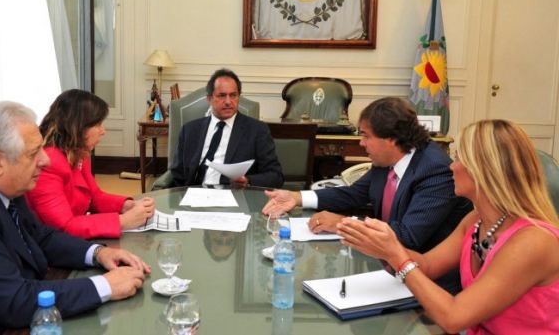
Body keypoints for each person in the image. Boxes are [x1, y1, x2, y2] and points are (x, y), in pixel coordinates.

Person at [0, 101, 150, 334]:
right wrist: (105, 285)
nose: (46, 160)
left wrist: (98, 253)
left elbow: (40, 237)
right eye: (33, 153)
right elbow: (15, 301)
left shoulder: (1, 187)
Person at [337, 119, 559, 334]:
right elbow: (427, 265)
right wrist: (381, 245)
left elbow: (454, 317)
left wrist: (396, 255)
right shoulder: (476, 220)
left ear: (484, 170)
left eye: (459, 158)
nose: (451, 166)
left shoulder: (533, 241)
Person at [262, 97, 471, 292]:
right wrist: (297, 197)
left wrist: (343, 224)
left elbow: (409, 236)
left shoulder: (435, 170)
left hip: (429, 283)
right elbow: (355, 193)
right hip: (388, 268)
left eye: (366, 136)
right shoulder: (387, 159)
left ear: (392, 139)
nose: (361, 143)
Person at [26, 89, 155, 239]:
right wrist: (123, 221)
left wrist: (127, 206)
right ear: (78, 127)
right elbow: (64, 227)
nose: (103, 131)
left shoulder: (78, 152)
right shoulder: (48, 163)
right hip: (49, 246)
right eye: (98, 124)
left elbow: (93, 197)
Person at [171, 68, 283, 188]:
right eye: (222, 95)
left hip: (234, 194)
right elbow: (177, 175)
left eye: (233, 95)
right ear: (209, 99)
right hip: (194, 193)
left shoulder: (257, 130)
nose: (228, 101)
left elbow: (275, 176)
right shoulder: (189, 130)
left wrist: (247, 180)